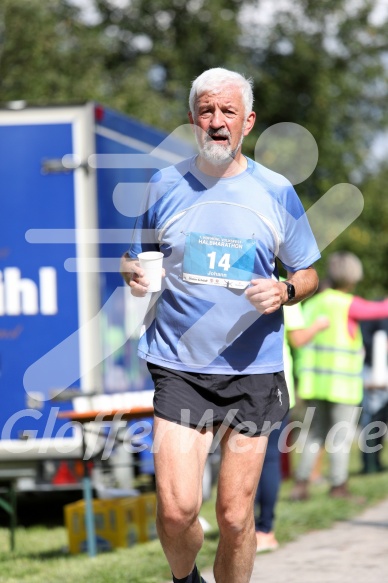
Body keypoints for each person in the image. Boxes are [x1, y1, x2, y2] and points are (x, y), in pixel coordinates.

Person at [120, 67, 320, 583]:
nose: (216, 121)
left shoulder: (275, 191)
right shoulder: (165, 183)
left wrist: (286, 289)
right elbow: (141, 255)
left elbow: (308, 271)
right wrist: (132, 270)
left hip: (253, 368)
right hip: (179, 364)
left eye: (227, 111)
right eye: (206, 111)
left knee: (234, 517)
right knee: (176, 509)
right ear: (192, 119)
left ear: (247, 122)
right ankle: (185, 579)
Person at [290, 251, 388, 501]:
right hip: (341, 385)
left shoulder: (312, 304)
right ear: (354, 276)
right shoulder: (348, 304)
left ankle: (300, 485)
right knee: (340, 437)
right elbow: (380, 309)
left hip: (314, 383)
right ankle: (338, 487)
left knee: (314, 435)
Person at [255, 303, 329, 552]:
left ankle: (241, 528)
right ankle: (264, 530)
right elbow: (297, 338)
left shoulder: (226, 278)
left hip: (232, 381)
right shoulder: (283, 287)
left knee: (242, 457)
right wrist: (317, 326)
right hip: (275, 382)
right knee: (269, 459)